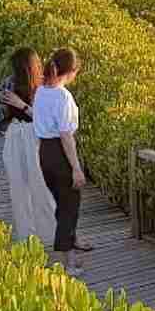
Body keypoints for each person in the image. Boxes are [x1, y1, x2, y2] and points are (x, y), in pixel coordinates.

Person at [31, 47, 90, 273]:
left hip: (45, 152)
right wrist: (76, 168)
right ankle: (68, 262)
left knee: (62, 202)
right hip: (60, 153)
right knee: (69, 207)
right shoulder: (62, 96)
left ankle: (71, 242)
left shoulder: (41, 91)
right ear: (71, 71)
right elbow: (66, 136)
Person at [0, 47, 57, 249]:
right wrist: (4, 105)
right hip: (15, 135)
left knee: (42, 189)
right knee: (18, 189)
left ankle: (51, 236)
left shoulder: (45, 87)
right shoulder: (9, 82)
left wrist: (21, 105)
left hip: (35, 136)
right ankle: (27, 239)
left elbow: (47, 121)